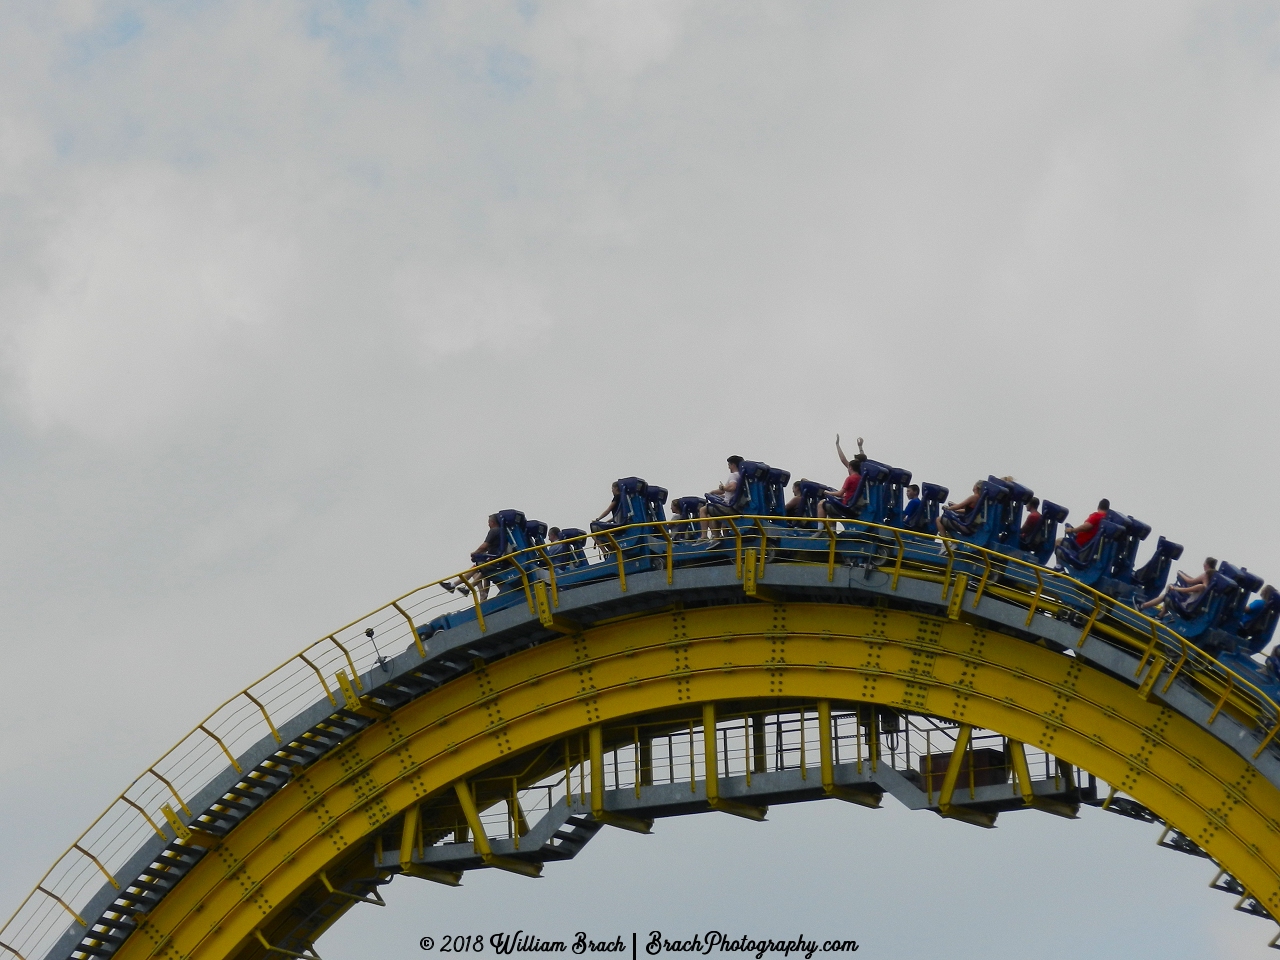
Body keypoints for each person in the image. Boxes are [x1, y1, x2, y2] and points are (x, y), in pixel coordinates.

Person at [442, 514, 504, 600]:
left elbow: (484, 546)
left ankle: (455, 586)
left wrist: (475, 553)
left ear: (492, 522)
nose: (488, 524)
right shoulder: (502, 531)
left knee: (478, 568)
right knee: (481, 570)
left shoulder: (493, 531)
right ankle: (474, 591)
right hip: (496, 559)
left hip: (494, 561)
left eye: (488, 522)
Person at [1138, 556, 1217, 613]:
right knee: (1169, 589)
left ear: (1206, 565)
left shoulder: (1201, 586)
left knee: (1166, 594)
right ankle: (1161, 613)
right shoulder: (1206, 586)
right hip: (1191, 604)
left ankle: (1143, 607)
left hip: (1186, 606)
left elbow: (1189, 584)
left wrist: (1176, 584)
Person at [816, 435, 866, 520]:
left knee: (823, 504)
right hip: (857, 504)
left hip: (849, 505)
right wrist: (860, 447)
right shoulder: (863, 476)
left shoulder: (852, 477)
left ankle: (821, 530)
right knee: (832, 507)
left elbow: (843, 459)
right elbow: (863, 460)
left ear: (851, 467)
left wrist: (837, 445)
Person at [699, 455, 744, 538]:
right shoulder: (741, 476)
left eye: (729, 465)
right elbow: (728, 491)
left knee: (703, 510)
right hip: (737, 507)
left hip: (730, 508)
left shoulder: (733, 475)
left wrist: (723, 487)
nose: (728, 467)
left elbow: (732, 487)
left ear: (733, 465)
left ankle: (704, 536)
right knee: (715, 509)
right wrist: (714, 492)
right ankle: (718, 536)